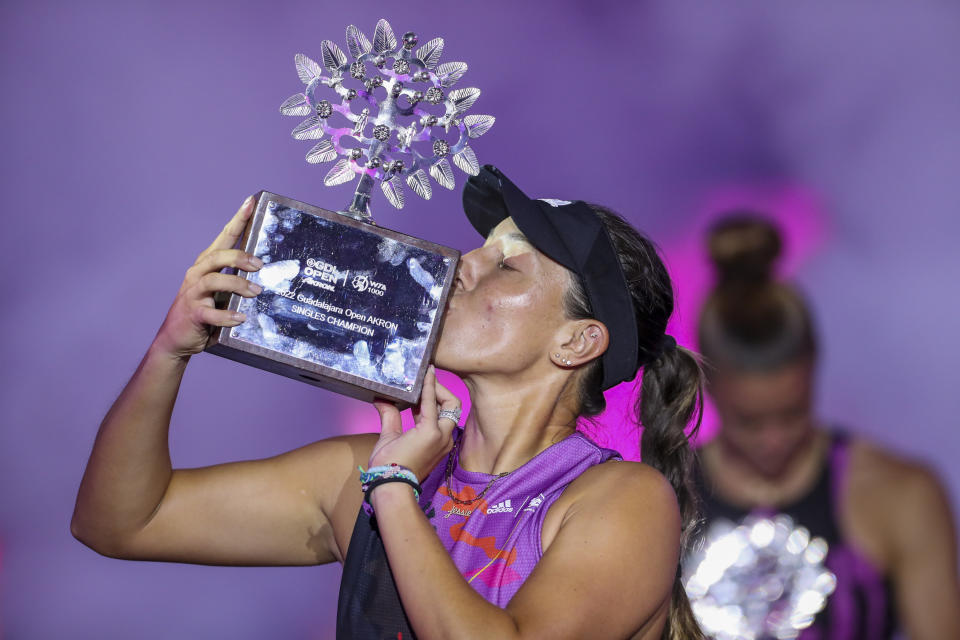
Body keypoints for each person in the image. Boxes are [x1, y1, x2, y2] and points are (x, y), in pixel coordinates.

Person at [73, 165, 705, 639]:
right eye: (477, 249)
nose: (461, 265)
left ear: (577, 341)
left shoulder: (624, 501)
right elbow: (122, 521)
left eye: (507, 267)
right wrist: (170, 351)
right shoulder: (365, 474)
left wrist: (396, 488)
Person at [691, 215, 960, 639]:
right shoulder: (663, 502)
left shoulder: (898, 494)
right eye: (750, 422)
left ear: (814, 374)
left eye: (793, 413)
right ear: (707, 387)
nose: (774, 439)